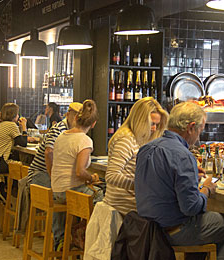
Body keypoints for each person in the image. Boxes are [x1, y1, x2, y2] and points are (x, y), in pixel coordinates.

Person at [135, 102, 224, 260]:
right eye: (200, 130)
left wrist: (190, 176)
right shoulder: (183, 155)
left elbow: (162, 180)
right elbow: (191, 208)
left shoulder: (146, 149)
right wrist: (206, 189)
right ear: (191, 127)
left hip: (147, 228)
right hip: (173, 231)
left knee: (204, 224)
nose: (198, 137)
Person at [50, 99, 104, 249]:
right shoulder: (85, 140)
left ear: (75, 118)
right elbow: (80, 172)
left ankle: (61, 240)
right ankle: (86, 238)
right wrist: (92, 177)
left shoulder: (62, 136)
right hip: (69, 191)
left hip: (56, 189)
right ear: (93, 124)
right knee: (101, 196)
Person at [104, 97, 168, 215]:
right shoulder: (126, 139)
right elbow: (111, 176)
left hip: (131, 202)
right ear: (140, 120)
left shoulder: (138, 138)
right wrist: (141, 186)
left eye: (157, 125)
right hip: (124, 206)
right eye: (152, 124)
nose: (154, 129)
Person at [27, 102, 83, 188]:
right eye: (75, 116)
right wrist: (54, 177)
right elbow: (49, 152)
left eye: (79, 118)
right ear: (67, 115)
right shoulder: (59, 129)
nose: (77, 120)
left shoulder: (73, 131)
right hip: (39, 174)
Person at [0, 103, 31, 176]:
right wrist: (24, 127)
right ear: (13, 115)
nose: (18, 116)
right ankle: (19, 187)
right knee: (27, 166)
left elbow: (17, 139)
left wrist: (20, 127)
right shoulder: (11, 125)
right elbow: (23, 143)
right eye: (17, 114)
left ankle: (8, 186)